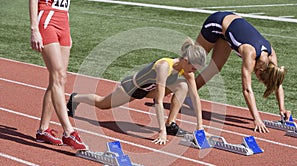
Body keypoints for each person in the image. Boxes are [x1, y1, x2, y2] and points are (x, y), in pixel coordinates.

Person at [67, 38, 207, 145]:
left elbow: (195, 97)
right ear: (186, 60)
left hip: (149, 90)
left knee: (183, 86)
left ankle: (170, 124)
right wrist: (161, 132)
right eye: (193, 68)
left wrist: (200, 127)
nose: (193, 72)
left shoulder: (187, 71)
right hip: (132, 88)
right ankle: (76, 98)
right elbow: (158, 102)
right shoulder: (164, 66)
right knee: (103, 104)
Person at [193, 11, 290, 133]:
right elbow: (246, 90)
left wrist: (282, 109)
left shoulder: (271, 55)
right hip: (216, 23)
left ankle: (188, 92)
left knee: (214, 68)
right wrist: (257, 119)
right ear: (259, 71)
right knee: (192, 63)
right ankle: (167, 77)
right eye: (260, 78)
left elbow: (277, 82)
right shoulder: (250, 54)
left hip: (228, 28)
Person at [29, 0, 88, 150]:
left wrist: (67, 31)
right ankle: (69, 131)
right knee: (58, 76)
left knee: (59, 78)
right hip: (47, 20)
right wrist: (34, 29)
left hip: (64, 21)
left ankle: (43, 130)